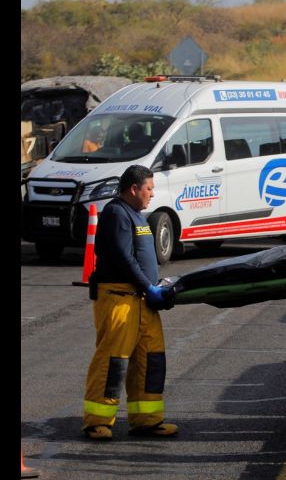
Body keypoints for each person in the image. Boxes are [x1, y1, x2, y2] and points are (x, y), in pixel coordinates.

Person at [82, 165, 176, 440]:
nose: (152, 194)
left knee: (151, 358)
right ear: (134, 189)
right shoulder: (116, 213)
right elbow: (124, 258)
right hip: (120, 299)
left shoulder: (135, 214)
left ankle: (147, 420)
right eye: (149, 188)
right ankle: (97, 421)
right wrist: (147, 285)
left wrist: (153, 288)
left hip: (143, 300)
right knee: (113, 360)